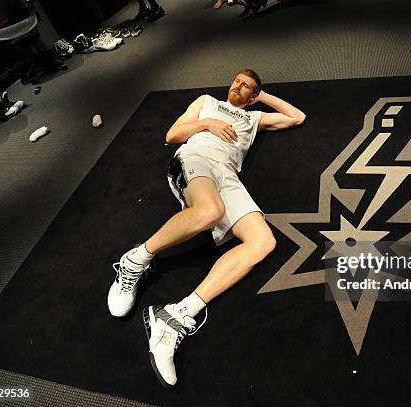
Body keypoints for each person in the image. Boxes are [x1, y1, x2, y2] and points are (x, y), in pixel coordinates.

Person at [107, 68, 305, 388]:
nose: (237, 87)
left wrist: (262, 98)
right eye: (237, 81)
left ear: (253, 96)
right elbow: (172, 135)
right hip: (194, 158)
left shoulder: (254, 119)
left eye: (246, 87)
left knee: (262, 242)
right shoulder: (207, 101)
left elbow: (297, 117)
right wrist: (207, 123)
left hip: (228, 176)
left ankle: (175, 315)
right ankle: (135, 259)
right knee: (210, 211)